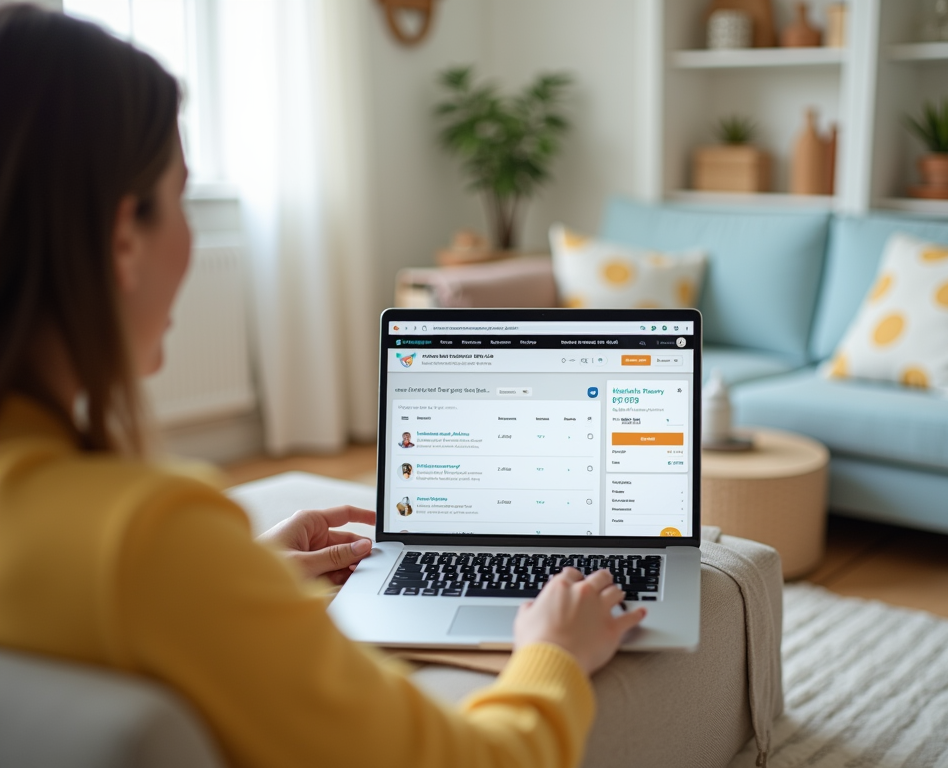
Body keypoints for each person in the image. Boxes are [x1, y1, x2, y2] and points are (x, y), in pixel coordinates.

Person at [0, 7, 645, 768]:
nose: (191, 237)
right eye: (182, 197)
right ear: (122, 240)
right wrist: (555, 651)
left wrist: (244, 580)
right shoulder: (149, 538)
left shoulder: (127, 547)